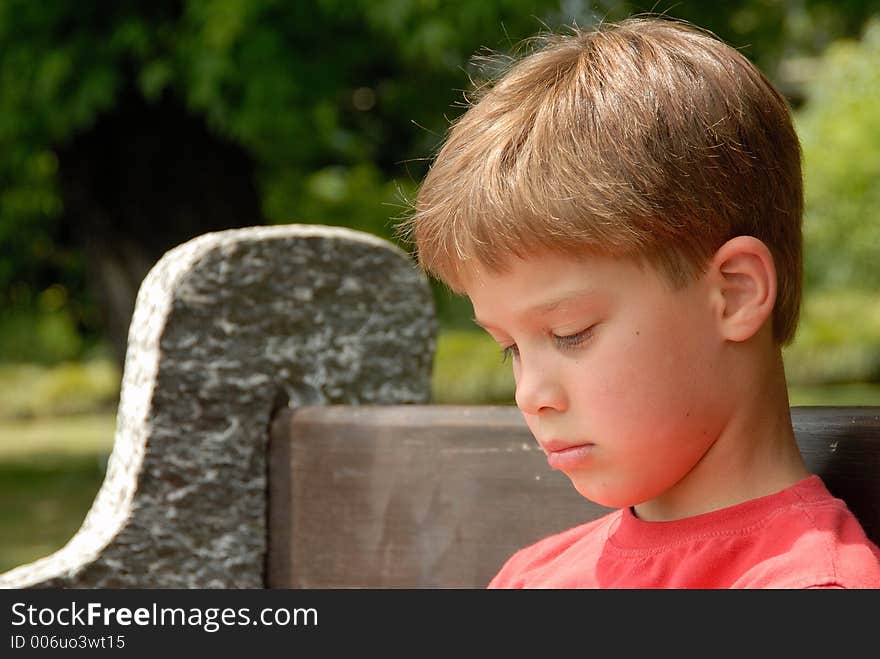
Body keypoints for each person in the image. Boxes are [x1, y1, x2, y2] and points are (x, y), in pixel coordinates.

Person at [398, 17, 880, 588]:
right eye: (510, 350)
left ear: (734, 293)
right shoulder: (529, 578)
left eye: (570, 332)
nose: (530, 395)